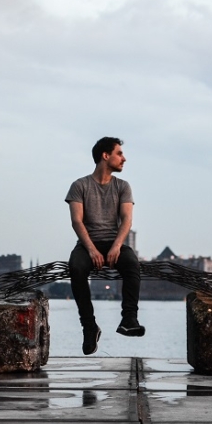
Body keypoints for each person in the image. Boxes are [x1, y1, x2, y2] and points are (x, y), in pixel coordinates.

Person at [65, 136, 144, 355]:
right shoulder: (79, 186)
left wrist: (117, 246)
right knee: (77, 268)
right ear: (105, 155)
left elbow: (127, 220)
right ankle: (89, 327)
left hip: (113, 241)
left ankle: (129, 319)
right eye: (119, 153)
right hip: (86, 243)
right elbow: (76, 221)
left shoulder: (123, 187)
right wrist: (91, 249)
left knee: (132, 263)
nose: (124, 158)